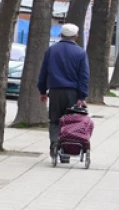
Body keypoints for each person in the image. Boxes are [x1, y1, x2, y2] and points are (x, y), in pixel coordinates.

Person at [38, 24, 89, 158]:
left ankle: (55, 143)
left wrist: (42, 91)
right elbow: (84, 76)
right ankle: (66, 152)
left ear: (61, 35)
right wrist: (82, 96)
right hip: (73, 93)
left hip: (55, 91)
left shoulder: (51, 50)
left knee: (54, 121)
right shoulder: (80, 53)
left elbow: (43, 72)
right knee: (70, 121)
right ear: (76, 36)